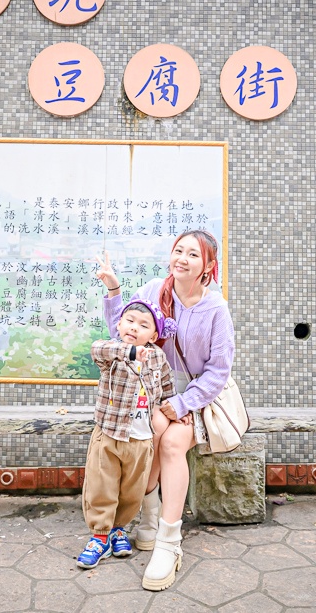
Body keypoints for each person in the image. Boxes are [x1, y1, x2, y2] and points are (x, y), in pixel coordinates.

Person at [96, 229, 235, 591]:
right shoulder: (156, 290)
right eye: (178, 250)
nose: (182, 259)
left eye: (192, 254)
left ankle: (167, 541)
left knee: (171, 442)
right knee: (152, 426)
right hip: (154, 392)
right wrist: (114, 291)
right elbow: (124, 331)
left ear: (208, 265)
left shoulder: (216, 309)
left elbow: (218, 371)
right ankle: (150, 512)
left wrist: (180, 404)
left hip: (198, 396)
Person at [76, 298, 176, 570]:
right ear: (119, 324)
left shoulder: (157, 357)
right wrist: (130, 352)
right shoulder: (112, 352)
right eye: (129, 321)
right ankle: (99, 535)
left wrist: (174, 408)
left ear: (154, 335)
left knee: (132, 489)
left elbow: (167, 388)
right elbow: (98, 349)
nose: (134, 327)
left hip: (141, 440)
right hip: (110, 434)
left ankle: (119, 529)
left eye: (143, 325)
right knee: (102, 484)